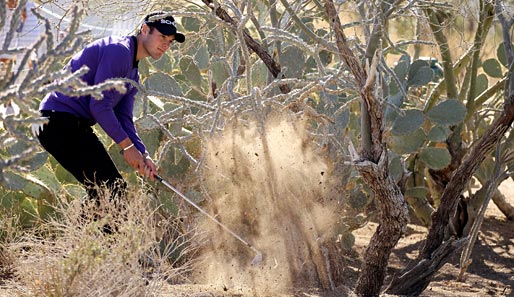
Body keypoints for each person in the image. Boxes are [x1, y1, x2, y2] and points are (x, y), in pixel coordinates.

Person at [34, 11, 185, 203]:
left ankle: (81, 232)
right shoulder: (119, 51)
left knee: (107, 192)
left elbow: (124, 118)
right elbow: (99, 105)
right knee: (111, 191)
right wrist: (128, 148)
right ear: (145, 29)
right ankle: (86, 232)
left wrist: (143, 154)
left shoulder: (133, 75)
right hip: (57, 121)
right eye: (162, 36)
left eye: (170, 41)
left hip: (68, 124)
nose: (166, 45)